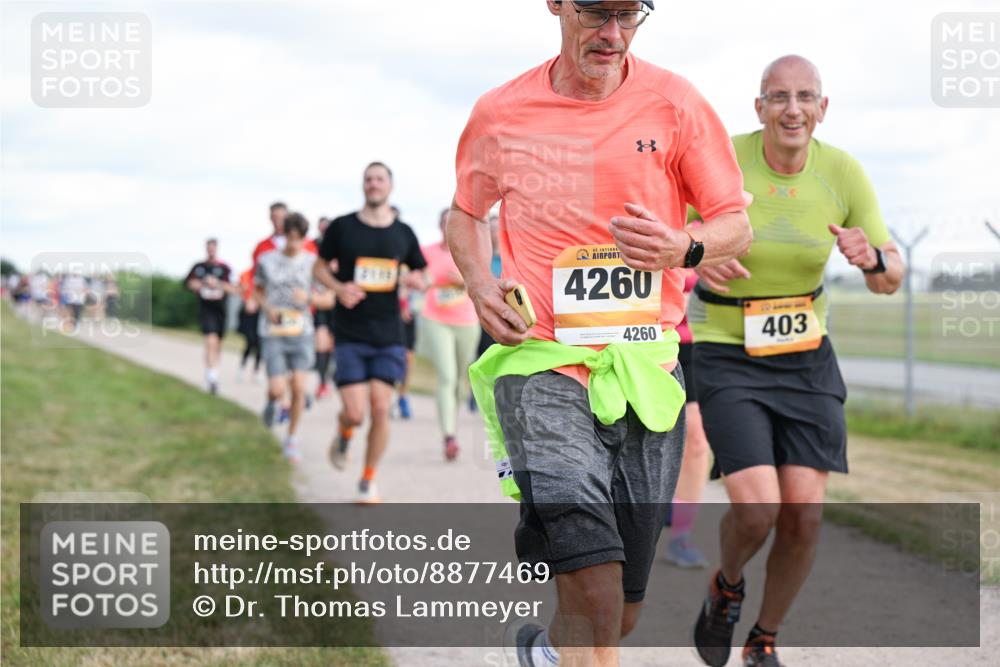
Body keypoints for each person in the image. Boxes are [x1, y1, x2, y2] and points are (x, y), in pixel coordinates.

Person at [448, 2, 753, 665]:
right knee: (595, 576)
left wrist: (685, 244)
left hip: (644, 369)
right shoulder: (502, 112)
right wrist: (478, 283)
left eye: (630, 14)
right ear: (557, 5)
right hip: (542, 363)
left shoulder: (676, 104)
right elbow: (466, 213)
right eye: (594, 10)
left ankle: (544, 652)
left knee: (620, 609)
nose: (612, 33)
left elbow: (734, 220)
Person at [688, 55, 904, 667]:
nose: (792, 109)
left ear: (822, 107)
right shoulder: (722, 157)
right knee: (758, 509)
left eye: (804, 96)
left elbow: (891, 276)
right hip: (728, 349)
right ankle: (725, 586)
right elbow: (668, 237)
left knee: (804, 515)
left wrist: (872, 260)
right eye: (777, 97)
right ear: (758, 108)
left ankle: (763, 639)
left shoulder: (842, 172)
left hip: (806, 355)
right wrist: (695, 254)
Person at [314, 162, 427, 504]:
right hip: (349, 332)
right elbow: (319, 267)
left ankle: (367, 479)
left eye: (379, 179)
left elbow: (422, 274)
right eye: (368, 179)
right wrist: (338, 287)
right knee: (356, 412)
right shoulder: (342, 227)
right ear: (363, 186)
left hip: (389, 333)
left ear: (390, 186)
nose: (373, 184)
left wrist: (416, 280)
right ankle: (345, 430)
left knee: (380, 408)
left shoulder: (404, 232)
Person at [255, 213, 333, 461]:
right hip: (273, 332)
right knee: (278, 389)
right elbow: (256, 290)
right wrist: (268, 309)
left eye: (299, 239)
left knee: (299, 387)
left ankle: (291, 438)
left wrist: (309, 298)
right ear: (284, 235)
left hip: (302, 331)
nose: (294, 244)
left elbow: (329, 298)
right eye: (290, 238)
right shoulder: (266, 260)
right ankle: (271, 402)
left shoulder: (312, 263)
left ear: (305, 238)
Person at [417, 208, 482, 460]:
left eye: (450, 222)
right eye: (443, 222)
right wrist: (418, 282)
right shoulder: (427, 252)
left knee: (457, 380)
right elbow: (418, 277)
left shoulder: (472, 249)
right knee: (446, 375)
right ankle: (449, 436)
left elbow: (483, 281)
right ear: (438, 225)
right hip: (436, 318)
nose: (447, 226)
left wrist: (463, 282)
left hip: (466, 321)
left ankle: (451, 421)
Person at [663, 267, 711, 569]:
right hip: (633, 339)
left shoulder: (715, 221)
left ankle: (681, 536)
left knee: (695, 439)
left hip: (690, 344)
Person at [185, 238, 235, 394]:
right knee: (210, 341)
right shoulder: (198, 267)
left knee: (217, 344)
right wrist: (200, 284)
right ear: (206, 249)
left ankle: (213, 372)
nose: (211, 251)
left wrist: (217, 284)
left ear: (217, 249)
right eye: (209, 249)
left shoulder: (225, 268)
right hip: (206, 309)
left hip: (220, 309)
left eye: (213, 249)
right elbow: (188, 283)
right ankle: (211, 378)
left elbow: (234, 288)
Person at [313, 216, 336, 399]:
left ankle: (331, 374)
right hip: (318, 301)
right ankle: (321, 382)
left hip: (337, 301)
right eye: (321, 229)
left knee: (331, 344)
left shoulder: (341, 245)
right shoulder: (312, 247)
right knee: (321, 342)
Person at [236, 267, 262, 383]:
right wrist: (248, 301)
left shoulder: (266, 273)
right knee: (250, 342)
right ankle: (242, 368)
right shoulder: (246, 274)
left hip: (261, 312)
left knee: (260, 344)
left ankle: (256, 371)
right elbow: (241, 289)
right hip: (248, 312)